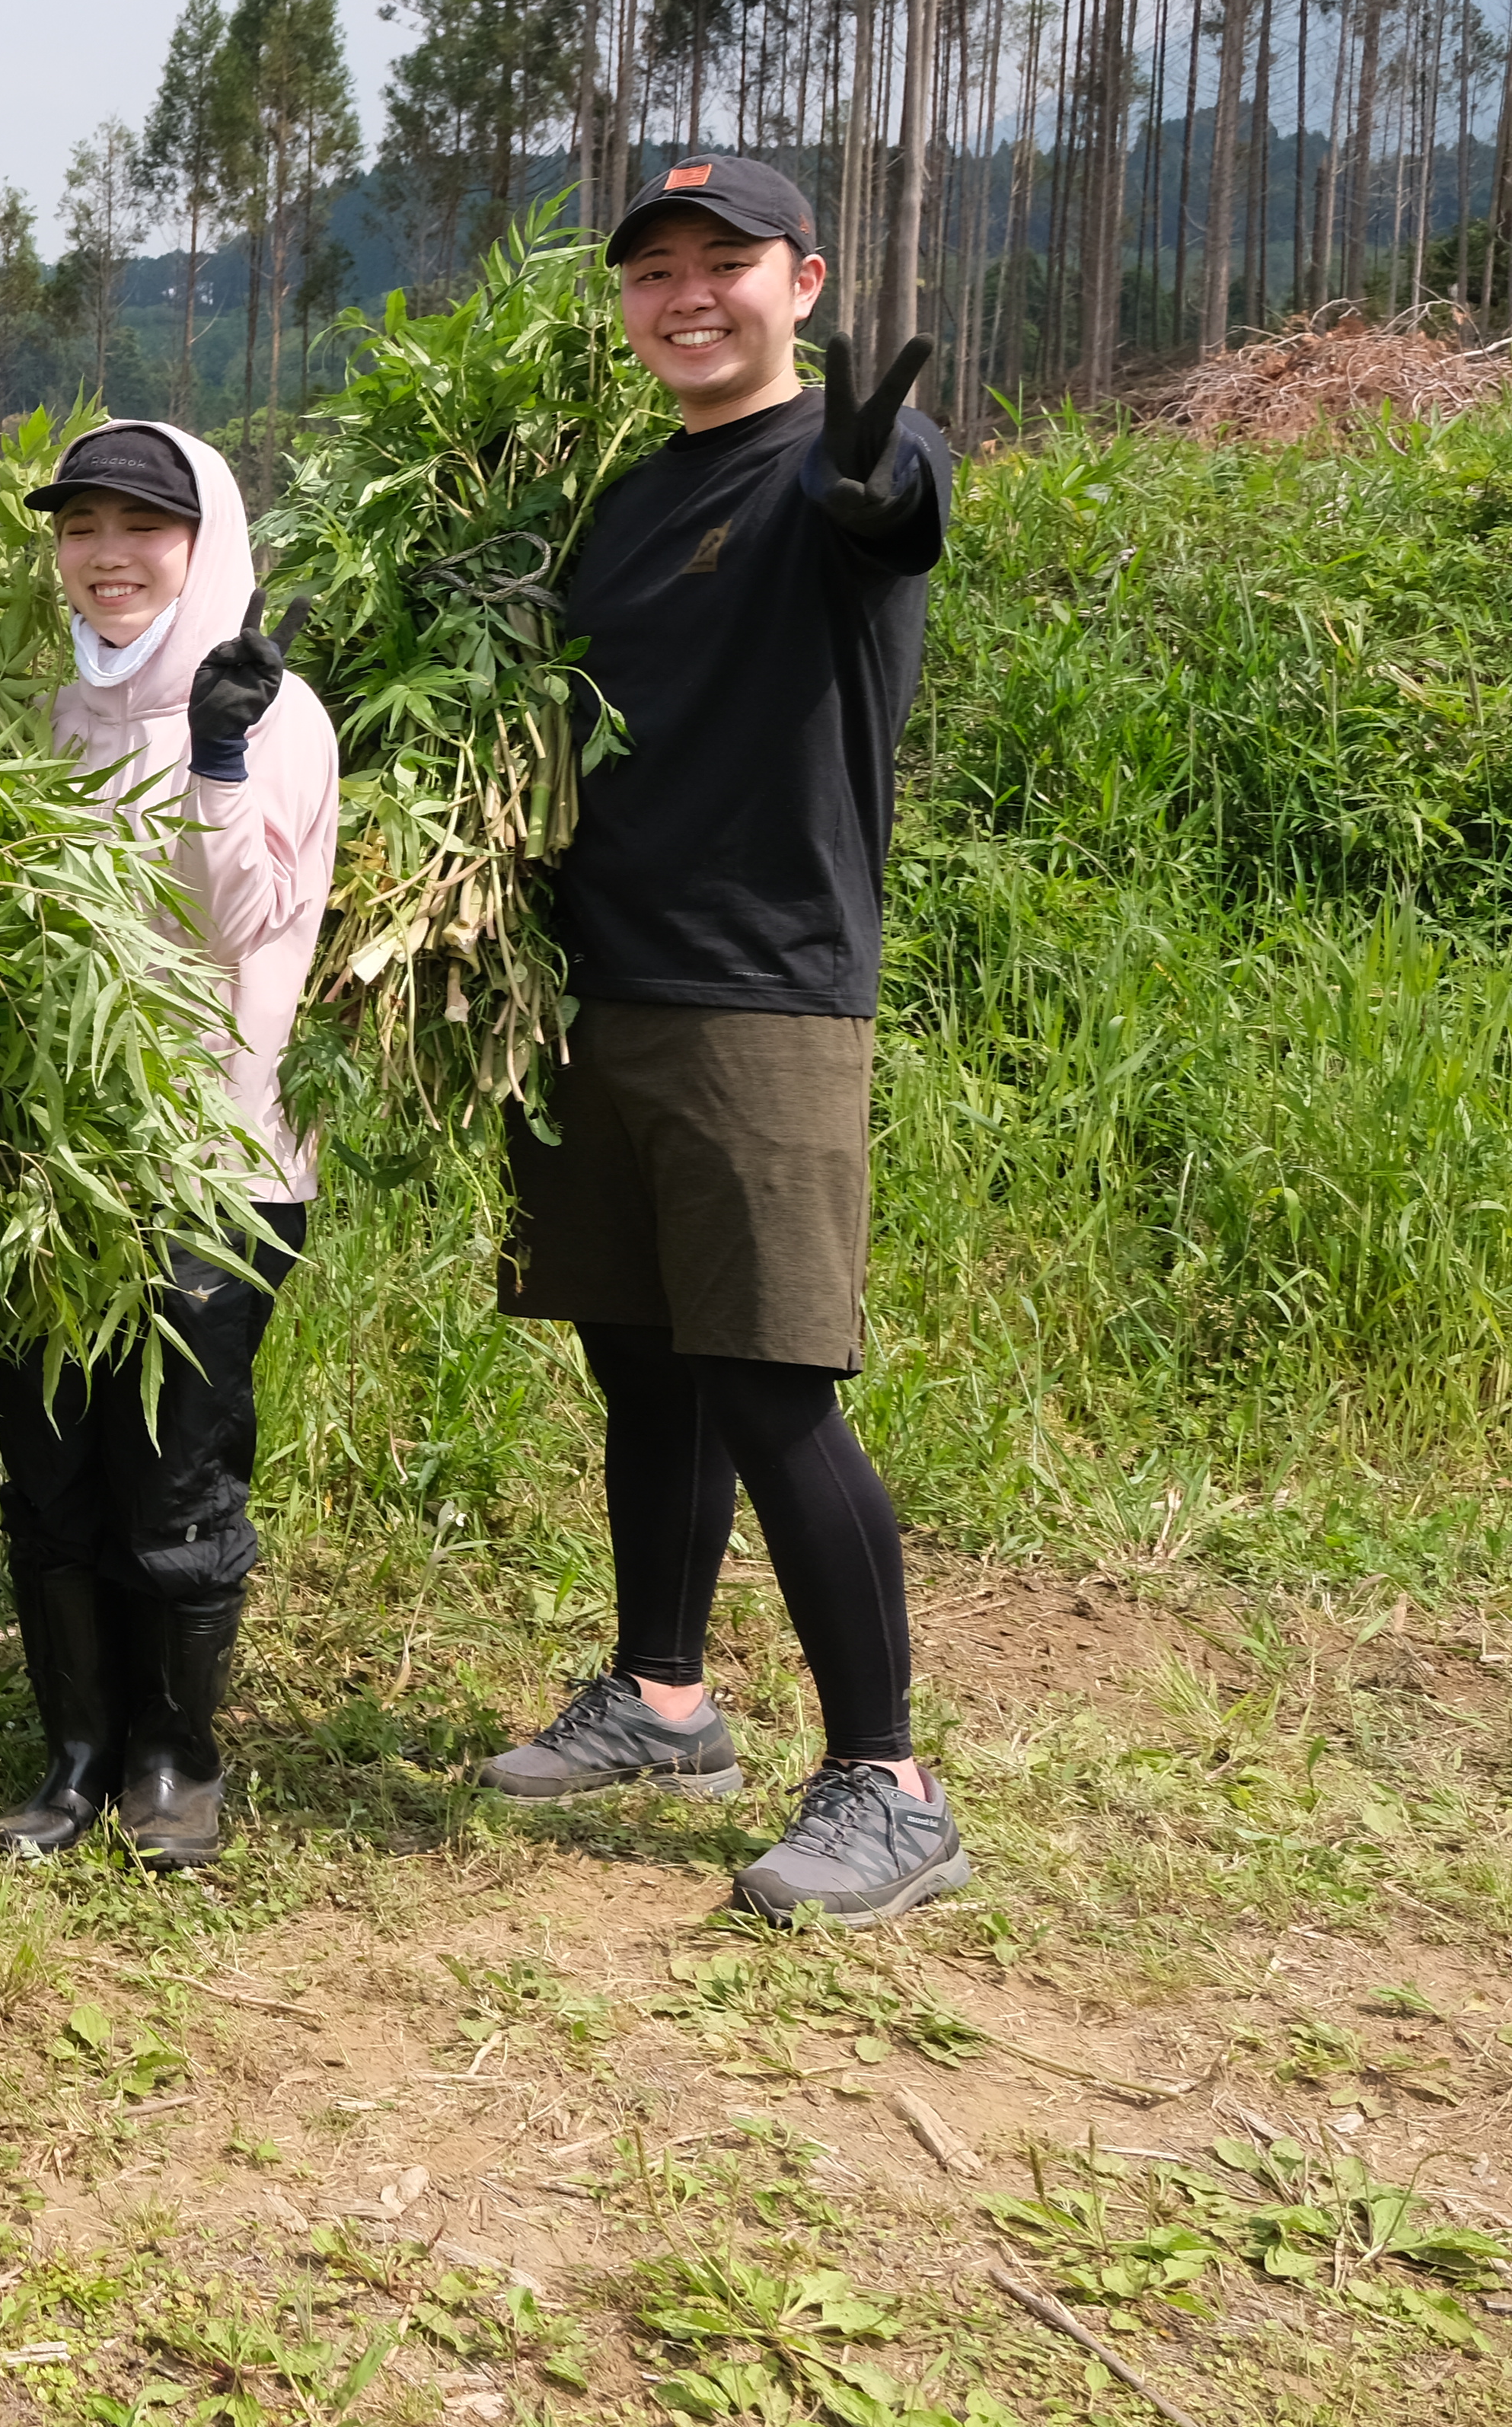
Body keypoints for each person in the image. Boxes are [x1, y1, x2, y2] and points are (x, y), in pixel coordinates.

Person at [474, 154, 970, 1931]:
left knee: (772, 1379)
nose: (689, 294)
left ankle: (889, 1781)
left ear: (805, 282)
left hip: (765, 987)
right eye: (655, 270)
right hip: (602, 983)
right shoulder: (624, 498)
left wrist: (874, 470)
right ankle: (665, 1696)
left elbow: (891, 509)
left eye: (727, 263)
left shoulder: (844, 466)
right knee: (647, 1362)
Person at [0, 423, 336, 1872]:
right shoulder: (62, 708)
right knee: (51, 1469)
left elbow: (235, 921)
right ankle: (74, 1756)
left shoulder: (275, 712)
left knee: (173, 1473)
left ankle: (176, 1762)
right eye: (80, 528)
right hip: (62, 1167)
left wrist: (213, 750)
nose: (107, 555)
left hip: (214, 1161)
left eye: (144, 526)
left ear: (207, 545)